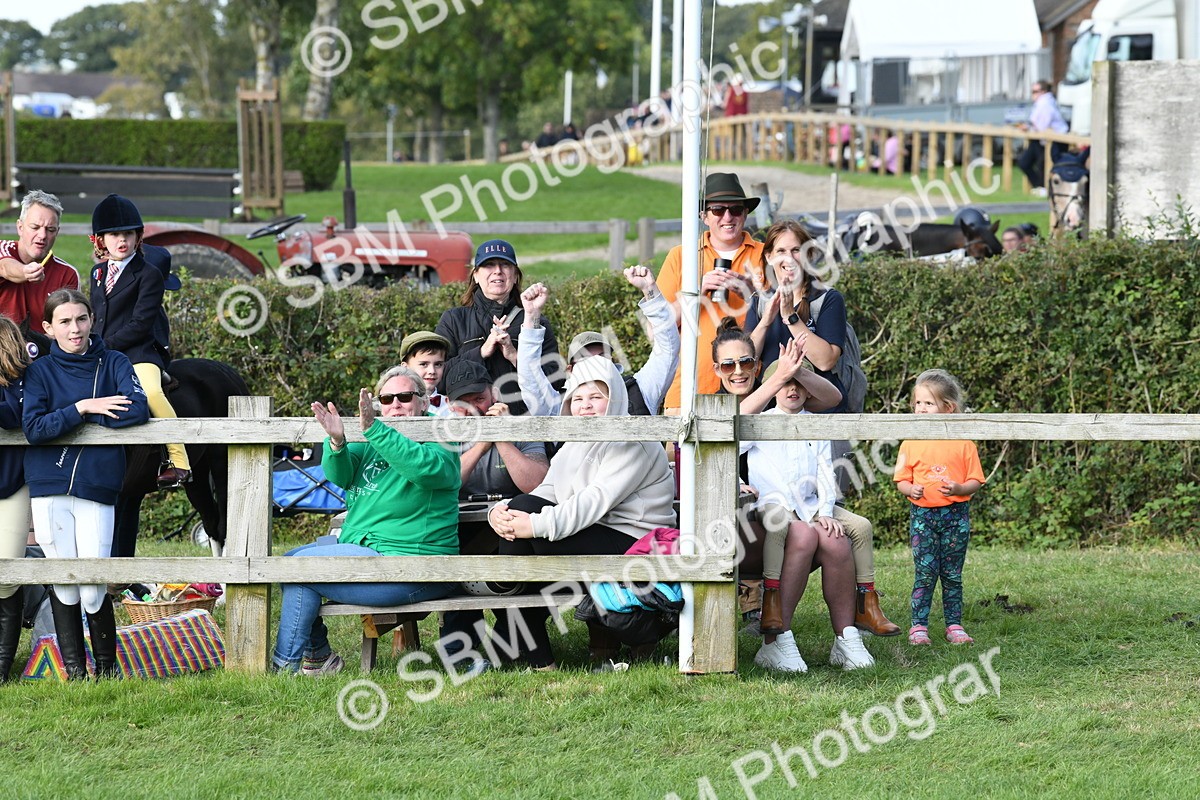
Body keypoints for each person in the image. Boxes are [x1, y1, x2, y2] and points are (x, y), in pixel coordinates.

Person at [711, 319, 898, 636]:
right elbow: (725, 442)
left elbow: (832, 404)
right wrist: (779, 378)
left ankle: (857, 615)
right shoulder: (720, 405)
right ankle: (770, 609)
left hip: (802, 508)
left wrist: (794, 371)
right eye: (728, 364)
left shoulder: (804, 415)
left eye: (745, 362)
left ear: (756, 367)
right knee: (794, 529)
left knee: (838, 537)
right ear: (717, 369)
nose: (738, 370)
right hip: (742, 520)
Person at [487, 356, 675, 669]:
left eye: (595, 397)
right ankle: (526, 646)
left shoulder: (633, 440)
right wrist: (500, 513)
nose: (584, 406)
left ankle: (526, 649)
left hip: (635, 541)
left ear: (615, 397)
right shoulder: (576, 441)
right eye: (577, 398)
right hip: (596, 531)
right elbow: (548, 491)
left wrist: (534, 526)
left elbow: (592, 502)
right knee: (520, 519)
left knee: (524, 551)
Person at [272, 366, 460, 675]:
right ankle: (316, 659)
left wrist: (374, 430)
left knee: (296, 568)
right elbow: (340, 476)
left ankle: (293, 665)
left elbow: (426, 471)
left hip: (416, 567)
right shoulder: (372, 434)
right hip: (369, 553)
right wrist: (336, 443)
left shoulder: (439, 436)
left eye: (404, 397)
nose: (395, 405)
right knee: (291, 560)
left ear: (424, 402)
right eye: (387, 398)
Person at [23, 289, 150, 679]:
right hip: (49, 484)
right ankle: (76, 672)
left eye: (81, 319)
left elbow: (138, 408)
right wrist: (83, 408)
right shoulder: (40, 371)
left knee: (94, 581)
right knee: (63, 579)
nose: (74, 329)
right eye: (64, 321)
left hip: (98, 482)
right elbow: (34, 427)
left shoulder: (114, 361)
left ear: (92, 320)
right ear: (48, 328)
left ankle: (107, 669)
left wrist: (91, 421)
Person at [740, 360, 875, 672]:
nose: (792, 389)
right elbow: (730, 449)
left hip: (812, 505)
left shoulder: (815, 422)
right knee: (805, 532)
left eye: (799, 384)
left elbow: (827, 471)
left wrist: (825, 511)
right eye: (785, 383)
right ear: (773, 388)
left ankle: (847, 636)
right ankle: (775, 636)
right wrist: (740, 484)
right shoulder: (761, 421)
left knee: (838, 537)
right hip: (773, 507)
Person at [88, 194, 190, 488]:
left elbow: (141, 324)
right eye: (114, 234)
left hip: (139, 352)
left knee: (151, 393)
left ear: (138, 237)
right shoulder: (97, 273)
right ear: (101, 240)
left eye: (128, 234)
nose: (122, 240)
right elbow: (97, 316)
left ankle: (178, 460)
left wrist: (103, 346)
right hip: (102, 351)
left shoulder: (148, 273)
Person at [656, 173, 765, 414]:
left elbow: (785, 313)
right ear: (704, 216)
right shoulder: (681, 256)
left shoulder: (764, 254)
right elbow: (657, 327)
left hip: (752, 390)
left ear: (746, 213)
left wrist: (754, 291)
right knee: (679, 453)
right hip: (688, 388)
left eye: (736, 209)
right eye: (717, 210)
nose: (727, 217)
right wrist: (696, 292)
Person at [894, 369, 985, 646]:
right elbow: (900, 480)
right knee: (924, 572)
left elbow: (975, 480)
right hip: (923, 516)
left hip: (955, 516)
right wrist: (912, 490)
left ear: (948, 408)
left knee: (952, 574)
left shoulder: (964, 444)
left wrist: (959, 489)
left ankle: (954, 625)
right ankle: (918, 627)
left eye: (928, 403)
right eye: (918, 403)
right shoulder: (910, 443)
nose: (921, 409)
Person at [517, 265, 680, 416]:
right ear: (570, 371)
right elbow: (529, 380)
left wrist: (649, 290)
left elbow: (668, 349)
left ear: (615, 364)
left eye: (602, 357)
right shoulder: (558, 406)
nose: (596, 364)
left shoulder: (641, 390)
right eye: (586, 360)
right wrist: (531, 316)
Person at [435, 239, 560, 415]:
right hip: (470, 429)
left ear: (515, 275)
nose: (498, 271)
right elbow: (436, 379)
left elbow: (554, 381)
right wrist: (480, 352)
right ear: (476, 276)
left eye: (505, 265)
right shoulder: (454, 320)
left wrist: (515, 356)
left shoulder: (535, 321)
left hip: (523, 428)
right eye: (489, 265)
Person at [0, 317, 31, 683]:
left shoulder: (23, 378)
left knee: (6, 575)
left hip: (10, 484)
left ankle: (3, 666)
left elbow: (16, 415)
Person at [0, 191, 79, 334]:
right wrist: (25, 272)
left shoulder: (67, 274)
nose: (42, 236)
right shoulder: (3, 249)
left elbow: (67, 330)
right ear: (20, 227)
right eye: (35, 227)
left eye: (50, 229)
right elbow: (5, 268)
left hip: (43, 352)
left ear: (57, 232)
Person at [1017, 80, 1068, 196]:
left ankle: (1045, 188)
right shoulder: (1042, 103)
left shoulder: (1046, 103)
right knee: (1026, 162)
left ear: (1044, 91)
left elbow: (1043, 125)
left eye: (1035, 91)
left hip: (1054, 140)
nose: (1033, 94)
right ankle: (1040, 186)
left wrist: (1029, 128)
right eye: (1032, 91)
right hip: (1040, 139)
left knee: (1044, 165)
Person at [400, 330, 453, 416]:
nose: (432, 371)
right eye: (423, 364)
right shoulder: (394, 405)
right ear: (405, 367)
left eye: (438, 364)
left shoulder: (451, 407)